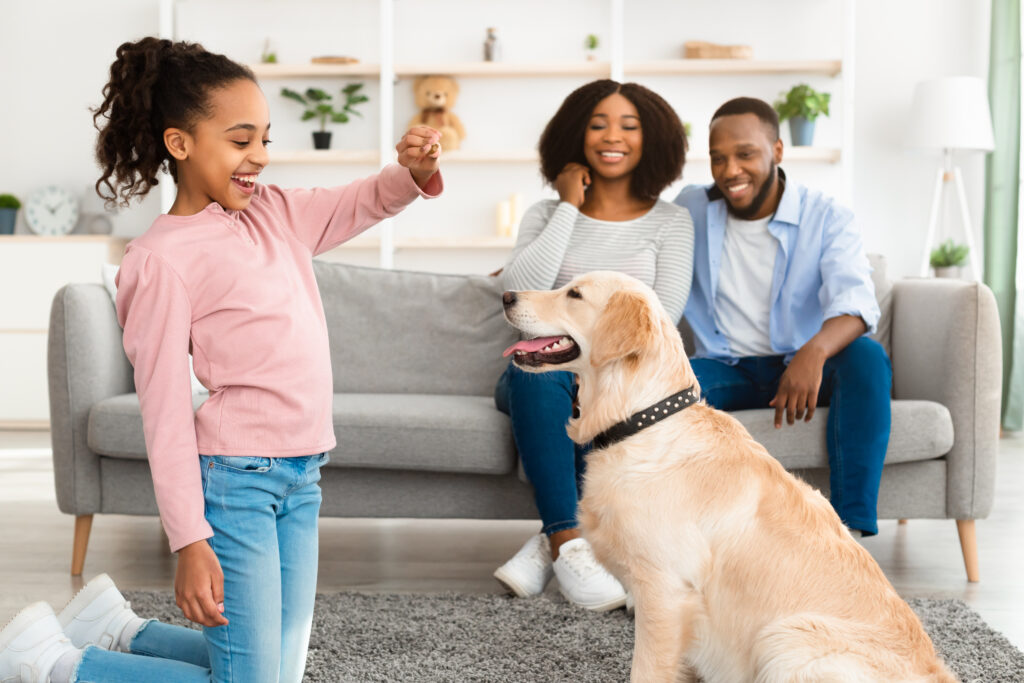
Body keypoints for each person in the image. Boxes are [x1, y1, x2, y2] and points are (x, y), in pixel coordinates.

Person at [0, 37, 442, 683]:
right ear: (181, 144)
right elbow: (164, 409)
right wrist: (189, 538)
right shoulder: (159, 261)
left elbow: (366, 199)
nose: (259, 157)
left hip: (303, 473)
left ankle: (121, 630)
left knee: (278, 667)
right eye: (241, 140)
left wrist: (410, 168)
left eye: (264, 138)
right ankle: (57, 665)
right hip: (237, 481)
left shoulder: (277, 213)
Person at [493, 79, 694, 611]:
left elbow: (660, 319)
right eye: (598, 123)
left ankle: (553, 543)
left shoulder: (672, 223)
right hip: (538, 370)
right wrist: (567, 206)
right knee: (540, 375)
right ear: (576, 135)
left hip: (620, 377)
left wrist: (593, 359)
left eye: (630, 126)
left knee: (594, 390)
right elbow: (516, 289)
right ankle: (568, 542)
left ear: (651, 140)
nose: (613, 136)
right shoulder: (544, 213)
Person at [674, 96, 889, 537]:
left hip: (802, 367)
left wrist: (814, 351)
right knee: (664, 392)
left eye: (745, 154)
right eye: (718, 158)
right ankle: (680, 542)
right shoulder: (690, 208)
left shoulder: (827, 216)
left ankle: (849, 536)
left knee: (866, 359)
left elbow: (858, 304)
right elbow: (632, 236)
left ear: (777, 151)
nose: (730, 170)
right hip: (725, 367)